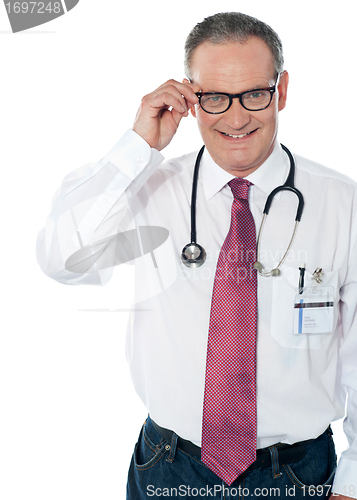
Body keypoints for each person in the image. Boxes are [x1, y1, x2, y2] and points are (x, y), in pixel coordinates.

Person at [37, 12, 357, 500]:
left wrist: (353, 482)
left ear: (282, 91)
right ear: (190, 96)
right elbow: (62, 259)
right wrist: (137, 147)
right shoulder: (147, 189)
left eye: (254, 93)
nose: (235, 117)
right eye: (215, 98)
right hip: (168, 468)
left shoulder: (341, 203)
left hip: (299, 476)